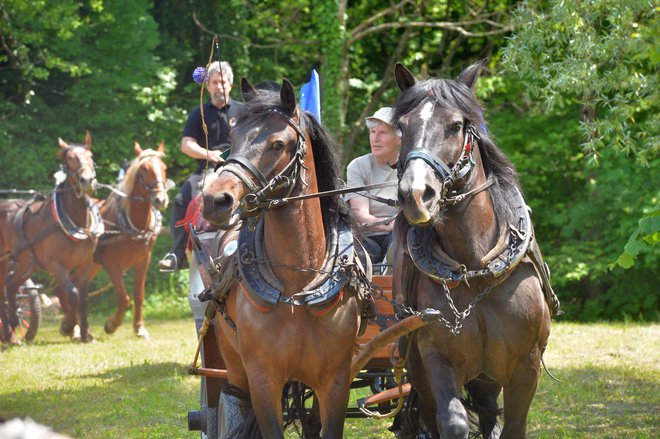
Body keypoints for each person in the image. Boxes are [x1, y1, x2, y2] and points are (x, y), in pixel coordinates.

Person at [158, 61, 243, 272]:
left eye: (222, 82)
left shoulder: (243, 111)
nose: (219, 86)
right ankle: (177, 255)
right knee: (179, 200)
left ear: (230, 85)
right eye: (214, 82)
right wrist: (209, 154)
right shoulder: (199, 113)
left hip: (240, 167)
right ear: (208, 86)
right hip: (207, 168)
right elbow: (186, 145)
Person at [345, 107, 401, 264]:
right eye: (372, 132)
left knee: (403, 245)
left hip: (400, 236)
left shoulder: (412, 166)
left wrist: (398, 227)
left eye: (383, 133)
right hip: (365, 238)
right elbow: (360, 216)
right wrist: (389, 225)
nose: (375, 138)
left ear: (399, 138)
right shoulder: (357, 166)